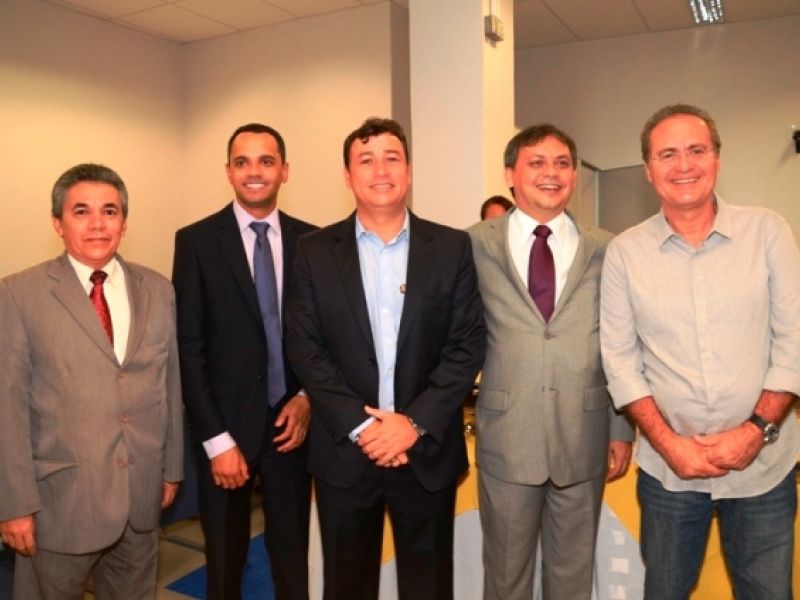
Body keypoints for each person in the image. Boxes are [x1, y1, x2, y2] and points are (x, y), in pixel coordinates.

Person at [600, 104, 800, 599]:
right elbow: (620, 362)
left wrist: (755, 432)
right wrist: (670, 445)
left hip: (764, 469)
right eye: (667, 154)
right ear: (649, 170)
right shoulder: (625, 253)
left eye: (697, 150)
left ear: (717, 159)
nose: (684, 165)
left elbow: (794, 340)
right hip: (668, 475)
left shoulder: (768, 232)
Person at [285, 117, 486, 600]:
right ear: (347, 175)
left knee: (428, 587)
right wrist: (364, 427)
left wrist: (411, 424)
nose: (380, 170)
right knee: (346, 587)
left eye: (391, 158)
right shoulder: (313, 252)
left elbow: (466, 345)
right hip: (345, 453)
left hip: (425, 452)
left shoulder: (451, 247)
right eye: (366, 160)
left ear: (409, 170)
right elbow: (305, 347)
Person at [0, 163, 184, 600]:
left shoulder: (158, 289)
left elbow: (169, 384)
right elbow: (7, 408)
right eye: (81, 211)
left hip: (140, 500)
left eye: (110, 211)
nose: (98, 224)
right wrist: (14, 504)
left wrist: (172, 469)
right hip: (59, 507)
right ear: (57, 223)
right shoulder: (18, 294)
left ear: (124, 222)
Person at [468, 125, 633, 600]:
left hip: (584, 436)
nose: (551, 173)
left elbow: (619, 343)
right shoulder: (473, 245)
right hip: (507, 437)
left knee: (572, 579)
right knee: (505, 579)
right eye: (536, 162)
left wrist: (620, 427)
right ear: (510, 174)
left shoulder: (607, 248)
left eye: (562, 163)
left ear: (574, 175)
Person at [172, 123, 316, 599]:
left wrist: (307, 398)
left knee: (293, 559)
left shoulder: (312, 242)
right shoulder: (195, 242)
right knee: (225, 563)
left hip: (292, 431)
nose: (255, 171)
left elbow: (324, 338)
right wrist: (216, 441)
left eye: (266, 161)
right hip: (225, 431)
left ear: (285, 170)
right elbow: (189, 349)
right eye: (243, 162)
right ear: (229, 172)